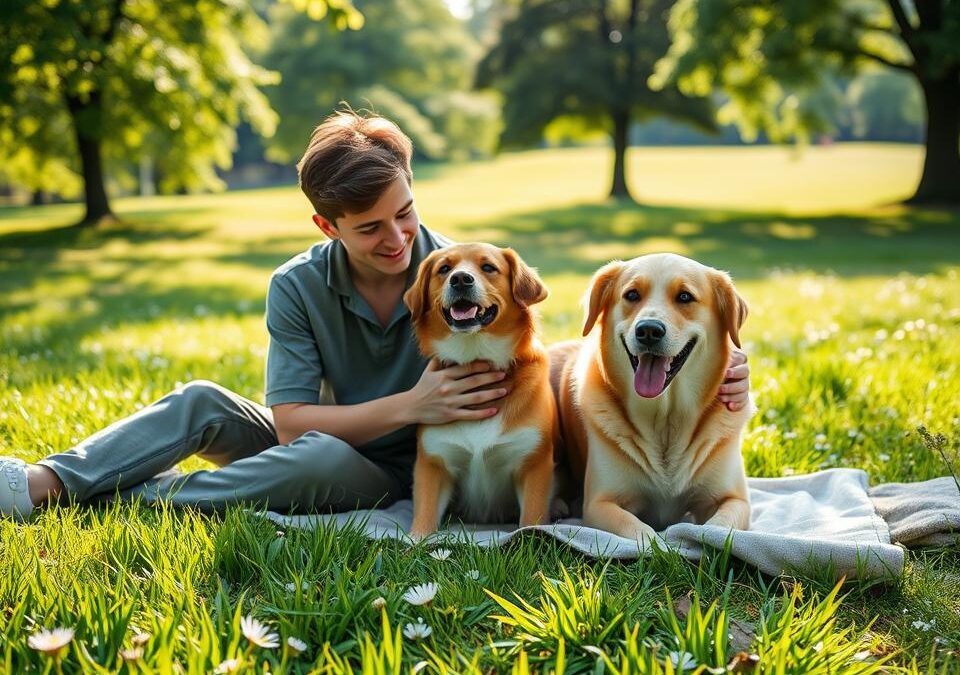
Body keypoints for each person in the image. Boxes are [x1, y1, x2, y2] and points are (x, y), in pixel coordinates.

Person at [0, 110, 751, 522]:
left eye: (405, 214)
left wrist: (712, 369)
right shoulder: (296, 285)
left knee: (320, 462)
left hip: (407, 464)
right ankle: (46, 483)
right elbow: (291, 420)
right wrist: (412, 401)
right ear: (328, 228)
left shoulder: (462, 275)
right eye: (369, 229)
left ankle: (137, 501)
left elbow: (544, 356)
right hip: (329, 429)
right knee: (203, 401)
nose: (397, 240)